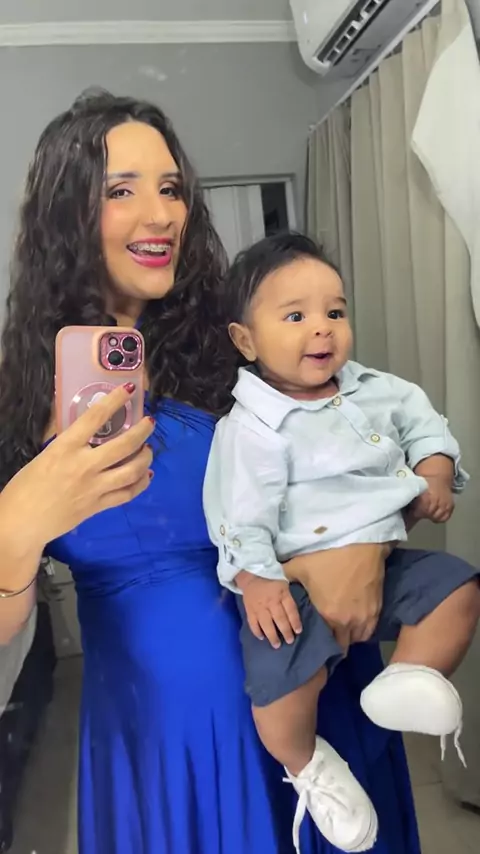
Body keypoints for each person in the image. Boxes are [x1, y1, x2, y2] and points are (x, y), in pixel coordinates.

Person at [0, 91, 419, 854]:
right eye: (121, 190)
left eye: (171, 189)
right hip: (162, 737)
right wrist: (17, 525)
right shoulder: (18, 401)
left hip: (309, 692)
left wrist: (370, 546)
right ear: (65, 213)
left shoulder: (241, 349)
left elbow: (370, 448)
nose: (160, 214)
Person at [204, 232, 480, 853]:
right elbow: (237, 514)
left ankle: (406, 677)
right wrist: (256, 579)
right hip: (292, 584)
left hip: (384, 559)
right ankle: (307, 764)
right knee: (278, 679)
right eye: (295, 316)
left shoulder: (377, 389)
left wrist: (435, 471)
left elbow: (425, 425)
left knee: (458, 588)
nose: (321, 328)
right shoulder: (251, 427)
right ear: (245, 341)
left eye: (334, 311)